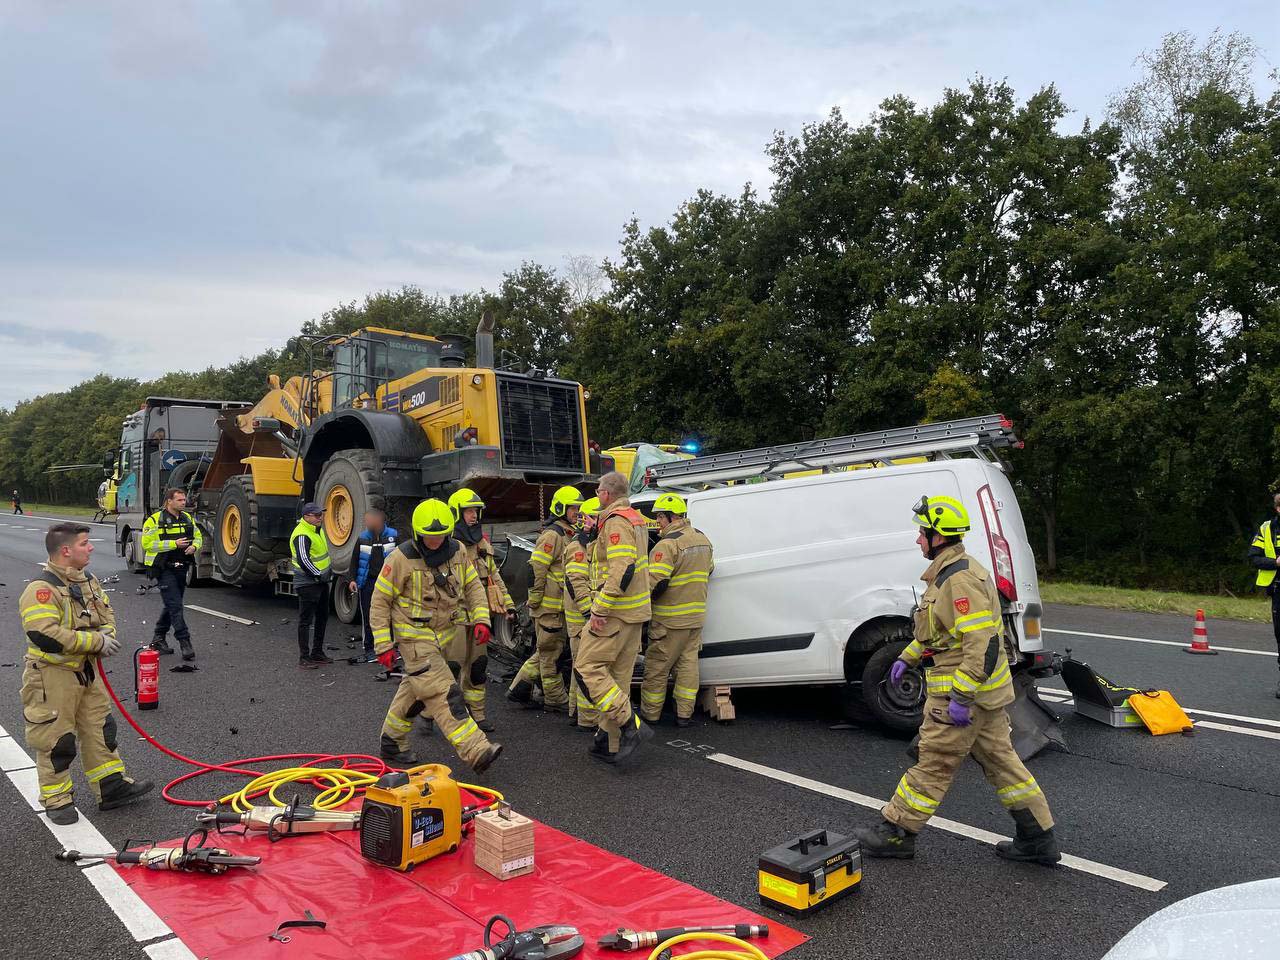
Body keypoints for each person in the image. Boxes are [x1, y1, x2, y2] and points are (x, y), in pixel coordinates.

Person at [856, 495, 1060, 865]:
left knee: (933, 761)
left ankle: (897, 833)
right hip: (987, 696)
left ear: (939, 537)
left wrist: (961, 698)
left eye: (922, 532)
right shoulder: (955, 572)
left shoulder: (959, 580)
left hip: (962, 696)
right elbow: (944, 632)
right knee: (1004, 766)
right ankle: (1037, 837)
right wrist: (909, 655)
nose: (918, 539)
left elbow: (982, 644)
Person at [18, 523, 154, 824]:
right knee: (56, 740)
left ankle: (110, 787)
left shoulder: (88, 580)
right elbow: (45, 634)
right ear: (66, 550)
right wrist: (96, 641)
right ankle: (56, 799)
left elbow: (107, 615)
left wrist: (107, 633)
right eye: (85, 543)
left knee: (101, 731)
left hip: (87, 674)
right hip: (53, 678)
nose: (91, 547)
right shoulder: (41, 590)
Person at [369, 499, 502, 772]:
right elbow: (380, 602)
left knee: (416, 693)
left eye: (440, 534)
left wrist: (481, 618)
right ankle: (476, 750)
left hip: (444, 636)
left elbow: (473, 586)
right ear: (418, 533)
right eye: (429, 535)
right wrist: (383, 644)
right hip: (414, 639)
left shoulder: (458, 552)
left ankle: (392, 742)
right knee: (445, 692)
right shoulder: (400, 559)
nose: (435, 540)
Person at [576, 471, 653, 766]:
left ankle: (629, 726)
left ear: (606, 494)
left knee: (588, 667)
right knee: (617, 679)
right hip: (634, 613)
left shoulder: (616, 521)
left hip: (615, 613)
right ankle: (608, 743)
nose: (597, 495)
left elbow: (622, 567)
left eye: (598, 491)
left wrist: (600, 609)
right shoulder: (636, 518)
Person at [639, 493, 714, 727]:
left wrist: (639, 606)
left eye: (660, 517)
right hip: (695, 617)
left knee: (657, 668)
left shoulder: (667, 544)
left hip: (669, 620)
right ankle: (684, 714)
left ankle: (650, 714)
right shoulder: (702, 539)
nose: (658, 522)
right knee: (688, 665)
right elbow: (709, 570)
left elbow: (656, 582)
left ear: (670, 517)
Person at [507, 485, 583, 712]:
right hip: (549, 607)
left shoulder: (569, 533)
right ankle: (555, 699)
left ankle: (518, 689)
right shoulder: (553, 535)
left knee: (546, 652)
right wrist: (536, 599)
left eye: (578, 508)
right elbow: (536, 568)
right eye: (573, 509)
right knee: (550, 655)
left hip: (560, 607)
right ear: (560, 509)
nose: (577, 513)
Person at [446, 488, 514, 733]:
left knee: (477, 667)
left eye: (476, 511)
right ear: (456, 513)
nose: (474, 516)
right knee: (451, 668)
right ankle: (435, 713)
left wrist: (508, 605)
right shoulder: (447, 545)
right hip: (453, 619)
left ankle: (477, 715)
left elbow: (493, 577)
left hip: (478, 617)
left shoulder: (481, 544)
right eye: (469, 511)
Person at [141, 487, 203, 661]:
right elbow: (147, 544)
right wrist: (173, 543)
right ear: (169, 501)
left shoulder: (187, 518)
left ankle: (158, 638)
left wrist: (195, 546)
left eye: (184, 500)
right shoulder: (154, 520)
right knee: (175, 605)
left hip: (182, 567)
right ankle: (185, 641)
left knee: (172, 604)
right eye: (180, 500)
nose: (184, 503)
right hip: (163, 568)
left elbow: (198, 536)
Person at [563, 496, 601, 731]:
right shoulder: (578, 546)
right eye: (596, 517)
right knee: (584, 666)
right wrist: (589, 612)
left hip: (586, 616)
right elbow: (576, 582)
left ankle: (575, 711)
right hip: (580, 618)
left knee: (581, 665)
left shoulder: (592, 543)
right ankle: (585, 719)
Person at [349, 508, 398, 662]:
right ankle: (369, 649)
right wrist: (352, 579)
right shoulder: (362, 538)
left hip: (389, 583)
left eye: (369, 521)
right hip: (368, 583)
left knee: (391, 616)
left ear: (379, 520)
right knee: (369, 616)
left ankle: (390, 648)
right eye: (366, 521)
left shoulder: (394, 536)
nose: (367, 523)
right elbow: (354, 560)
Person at [290, 502, 332, 669]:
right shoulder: (302, 534)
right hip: (308, 584)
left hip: (321, 582)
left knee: (322, 617)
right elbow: (304, 560)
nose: (320, 518)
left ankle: (317, 652)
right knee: (305, 621)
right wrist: (319, 574)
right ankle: (304, 657)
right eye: (317, 515)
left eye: (321, 514)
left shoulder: (316, 530)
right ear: (306, 517)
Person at [1248, 491, 1280, 699]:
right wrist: (1275, 563)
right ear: (1278, 508)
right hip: (1278, 588)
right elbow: (1254, 556)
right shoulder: (1267, 528)